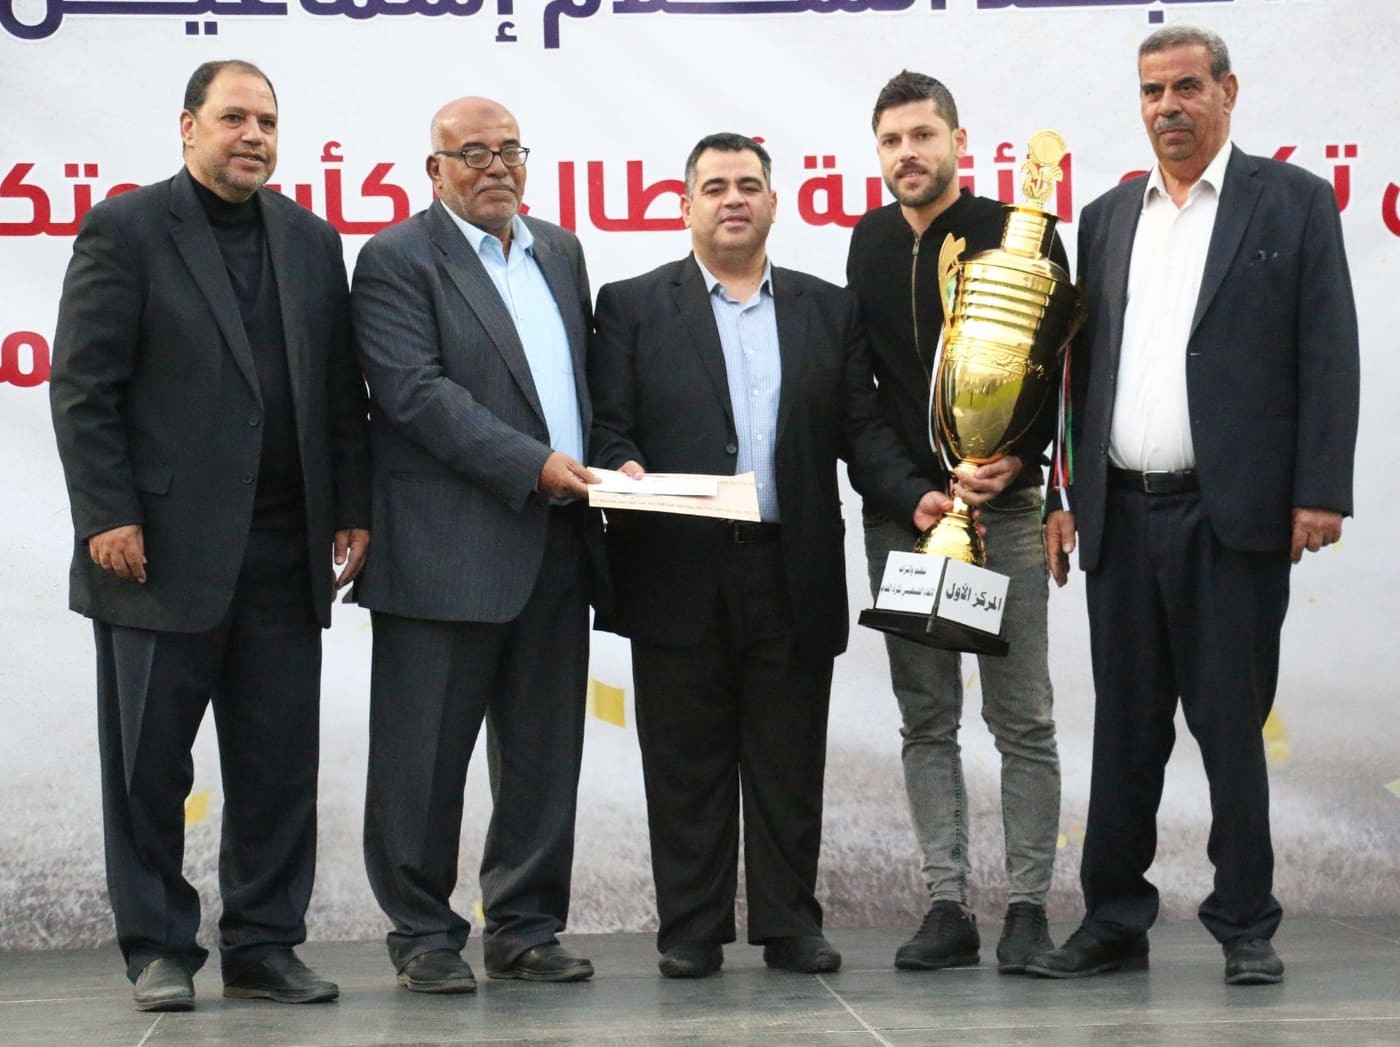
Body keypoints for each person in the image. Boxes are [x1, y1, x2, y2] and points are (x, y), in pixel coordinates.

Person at [1027, 26, 1359, 986]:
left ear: (1227, 91)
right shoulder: (1105, 217)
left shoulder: (1292, 200)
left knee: (1229, 726)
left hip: (1233, 516)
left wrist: (1319, 491)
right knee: (1126, 729)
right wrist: (1062, 491)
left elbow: (1328, 350)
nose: (1167, 107)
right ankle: (1113, 919)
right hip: (1120, 515)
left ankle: (1246, 923)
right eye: (1151, 92)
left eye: (1185, 87)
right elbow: (1078, 372)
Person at [49, 60, 370, 1012]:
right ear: (188, 127)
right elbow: (83, 387)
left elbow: (339, 391)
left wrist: (353, 504)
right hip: (155, 551)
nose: (253, 136)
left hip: (284, 551)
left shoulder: (312, 239)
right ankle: (157, 947)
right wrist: (107, 513)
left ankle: (265, 945)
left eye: (266, 121)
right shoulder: (126, 229)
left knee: (277, 766)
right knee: (150, 766)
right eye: (234, 118)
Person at [590, 132, 946, 980]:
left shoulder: (827, 307)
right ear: (685, 205)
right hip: (676, 562)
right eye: (715, 186)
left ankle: (791, 924)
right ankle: (691, 928)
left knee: (788, 761)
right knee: (685, 762)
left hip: (791, 565)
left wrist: (913, 495)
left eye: (748, 184)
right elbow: (609, 425)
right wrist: (623, 464)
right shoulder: (630, 305)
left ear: (775, 203)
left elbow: (862, 429)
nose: (733, 199)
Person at [352, 96, 603, 994]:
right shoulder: (395, 258)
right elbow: (415, 394)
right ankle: (423, 932)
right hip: (442, 549)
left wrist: (610, 459)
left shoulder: (560, 251)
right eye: (473, 154)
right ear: (435, 170)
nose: (496, 168)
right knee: (421, 760)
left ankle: (526, 927)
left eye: (509, 151)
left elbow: (576, 383)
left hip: (557, 543)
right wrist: (534, 464)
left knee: (543, 755)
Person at [845, 71, 1067, 973]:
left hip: (1004, 510)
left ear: (959, 142)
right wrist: (908, 492)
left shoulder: (1019, 230)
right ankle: (947, 905)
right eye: (892, 140)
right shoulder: (866, 241)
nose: (909, 153)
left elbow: (1062, 367)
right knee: (926, 720)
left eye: (923, 135)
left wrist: (1024, 456)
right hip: (907, 518)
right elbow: (857, 392)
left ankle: (1028, 909)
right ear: (878, 151)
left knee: (1024, 719)